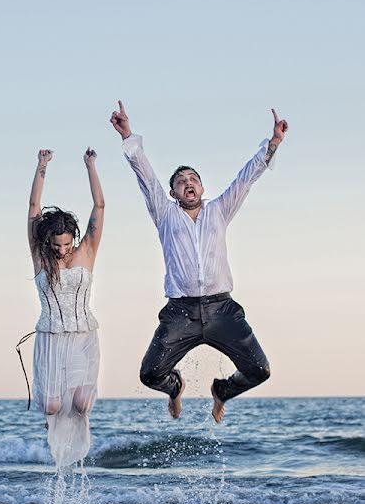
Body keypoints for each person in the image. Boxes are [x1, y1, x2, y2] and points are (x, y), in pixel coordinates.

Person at [110, 100, 288, 422]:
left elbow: (246, 178)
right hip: (181, 313)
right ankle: (175, 386)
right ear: (173, 192)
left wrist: (273, 143)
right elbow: (145, 177)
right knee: (149, 374)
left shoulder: (219, 210)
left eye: (193, 178)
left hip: (222, 310)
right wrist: (128, 136)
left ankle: (222, 391)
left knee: (260, 370)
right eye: (181, 181)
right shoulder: (164, 214)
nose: (188, 182)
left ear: (202, 187)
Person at [22, 147, 105, 468]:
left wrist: (90, 165)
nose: (61, 250)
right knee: (54, 407)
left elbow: (99, 206)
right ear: (47, 243)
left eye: (66, 244)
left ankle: (81, 424)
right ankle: (50, 423)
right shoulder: (41, 257)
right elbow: (32, 208)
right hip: (52, 338)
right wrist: (41, 165)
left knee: (83, 404)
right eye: (56, 245)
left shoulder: (87, 251)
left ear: (75, 238)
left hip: (84, 336)